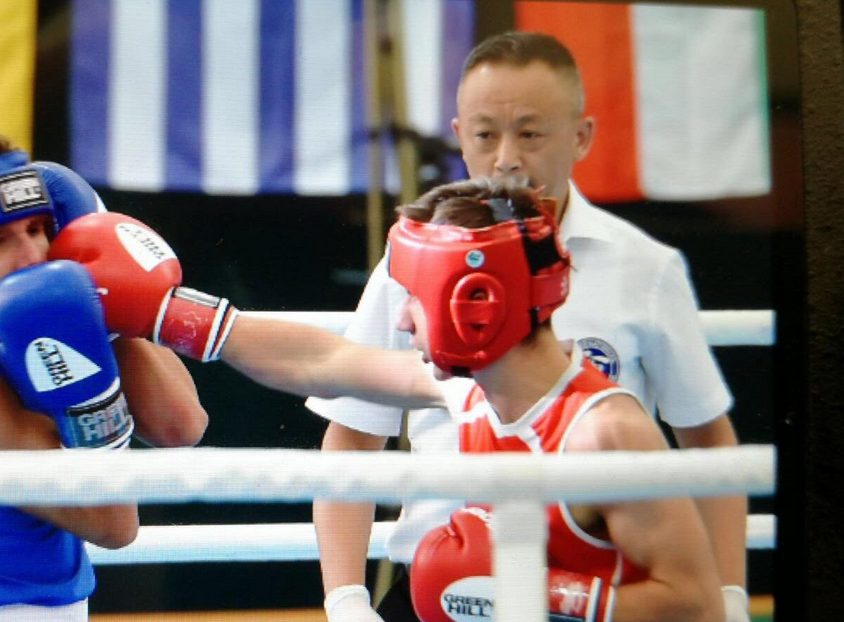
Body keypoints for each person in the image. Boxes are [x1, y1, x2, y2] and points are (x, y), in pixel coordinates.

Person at [52, 178, 725, 622]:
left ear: (476, 306)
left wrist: (536, 593)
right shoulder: (464, 392)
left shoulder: (604, 433)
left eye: (415, 302)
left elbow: (695, 602)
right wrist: (171, 317)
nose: (402, 323)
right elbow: (326, 359)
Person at [304, 31, 747, 622]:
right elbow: (353, 433)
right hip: (436, 585)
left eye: (530, 132)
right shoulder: (412, 258)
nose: (507, 157)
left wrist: (730, 597)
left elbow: (709, 442)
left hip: (595, 590)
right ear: (460, 139)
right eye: (486, 134)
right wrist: (346, 602)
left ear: (581, 136)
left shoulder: (645, 268)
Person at [0, 129, 207, 620]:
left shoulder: (28, 341)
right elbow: (112, 525)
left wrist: (107, 305)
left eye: (37, 229)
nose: (33, 255)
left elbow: (180, 426)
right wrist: (89, 373)